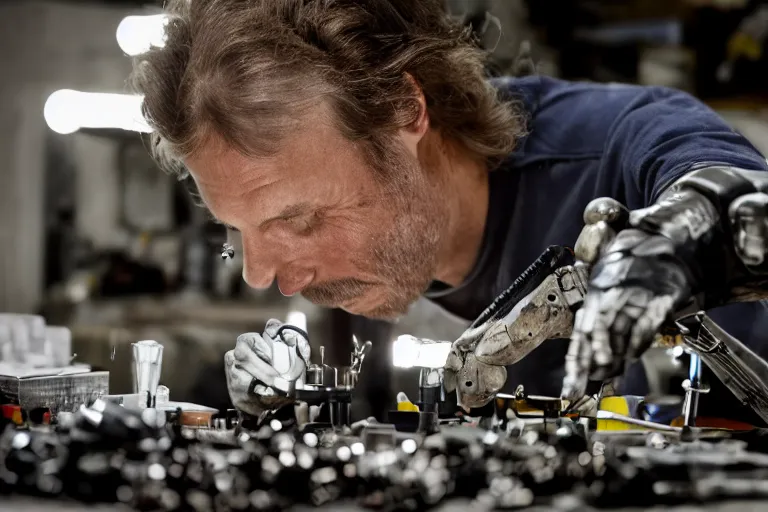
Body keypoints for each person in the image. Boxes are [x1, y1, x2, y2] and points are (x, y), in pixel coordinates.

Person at [131, 0, 768, 422]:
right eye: (237, 231)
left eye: (298, 219)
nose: (265, 275)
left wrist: (697, 229)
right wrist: (283, 397)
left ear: (406, 113)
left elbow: (729, 191)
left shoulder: (622, 148)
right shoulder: (349, 270)